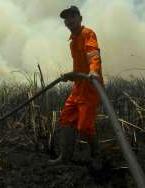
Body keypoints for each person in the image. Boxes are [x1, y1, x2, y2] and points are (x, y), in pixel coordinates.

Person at [49, 6, 104, 165]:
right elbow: (79, 66)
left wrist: (93, 71)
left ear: (80, 18)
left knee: (85, 127)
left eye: (73, 16)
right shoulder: (72, 42)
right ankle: (64, 157)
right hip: (78, 87)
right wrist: (71, 76)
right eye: (66, 18)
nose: (69, 20)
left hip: (90, 88)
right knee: (66, 119)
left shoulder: (88, 33)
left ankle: (96, 155)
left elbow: (93, 54)